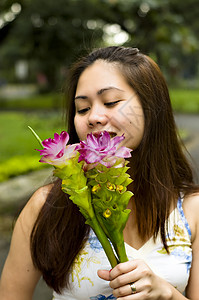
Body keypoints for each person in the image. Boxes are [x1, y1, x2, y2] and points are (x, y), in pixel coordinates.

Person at [0, 46, 199, 300]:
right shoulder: (44, 206)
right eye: (82, 109)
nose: (93, 117)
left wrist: (167, 295)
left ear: (151, 108)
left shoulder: (192, 209)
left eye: (111, 102)